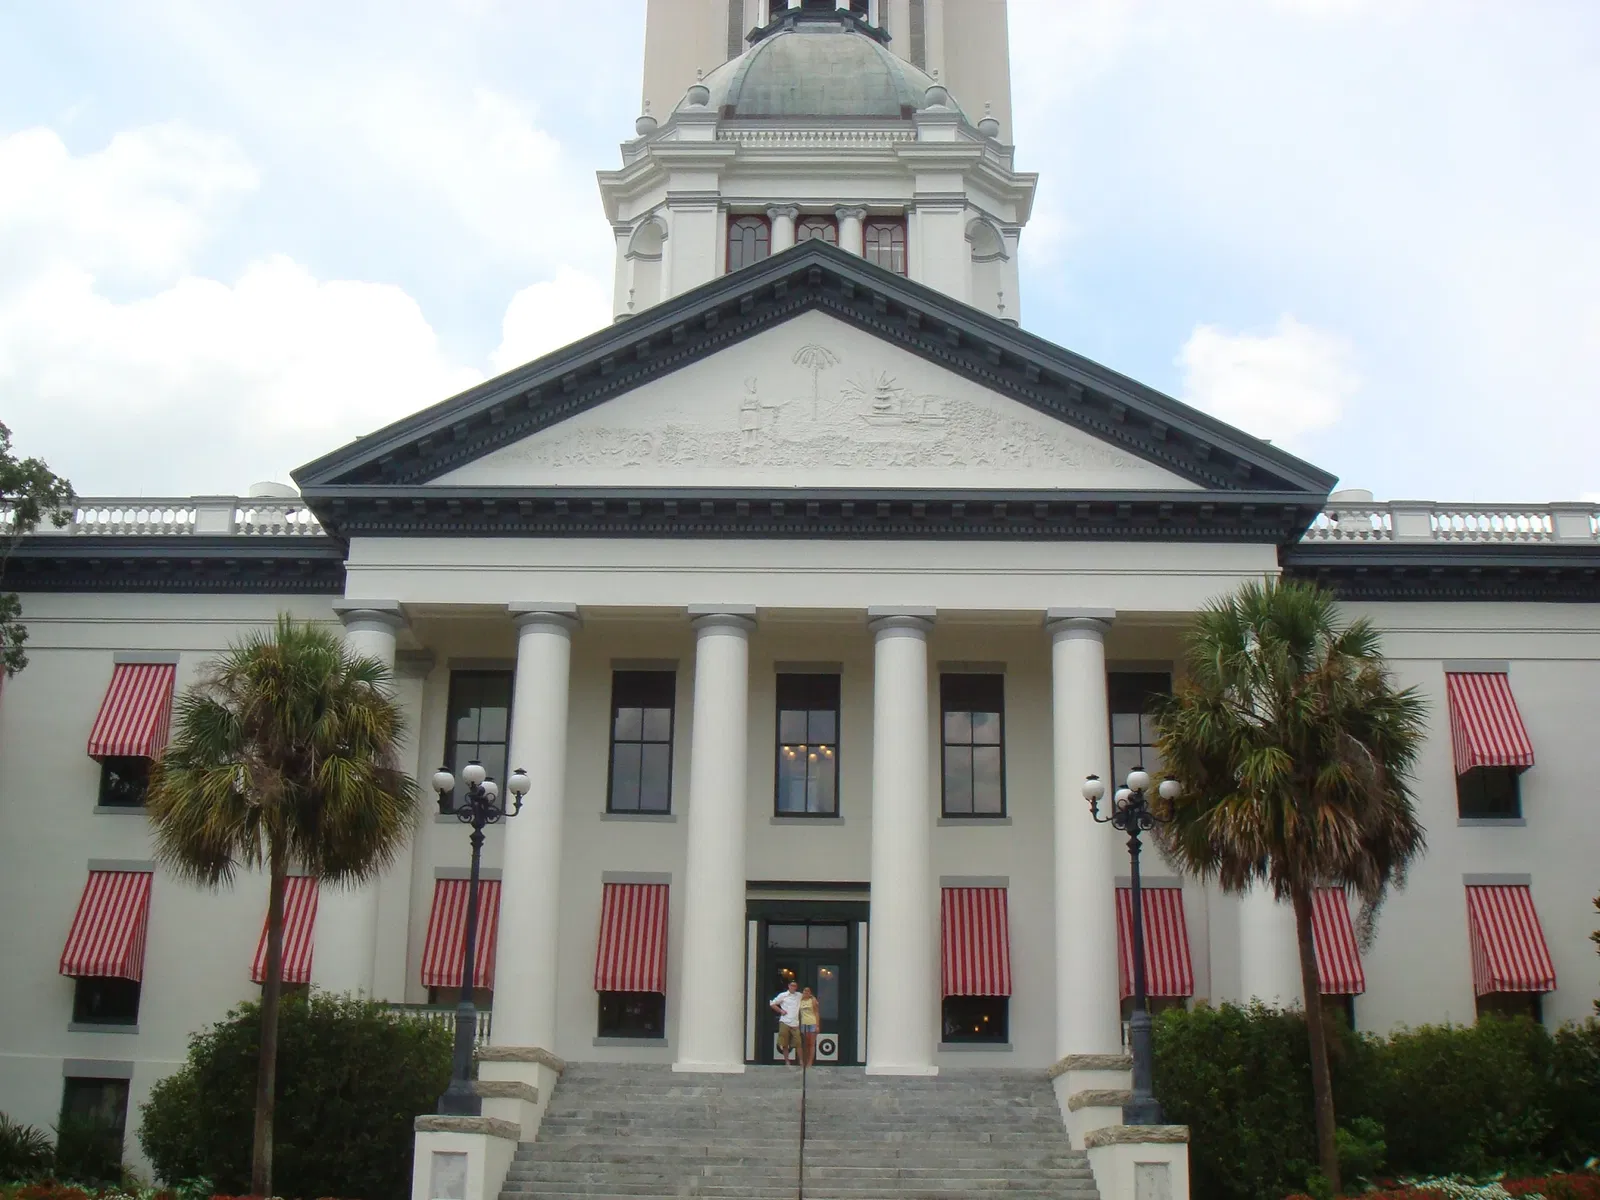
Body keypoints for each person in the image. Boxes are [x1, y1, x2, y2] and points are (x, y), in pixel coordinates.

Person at [770, 980, 802, 1066]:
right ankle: (787, 1061)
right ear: (788, 986)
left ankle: (801, 1061)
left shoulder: (799, 995)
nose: (793, 987)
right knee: (784, 1043)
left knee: (798, 1042)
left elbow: (808, 998)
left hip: (795, 1023)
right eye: (792, 985)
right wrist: (781, 1011)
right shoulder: (783, 995)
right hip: (785, 1021)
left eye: (795, 986)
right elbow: (772, 1003)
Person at [798, 986, 820, 1068]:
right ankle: (805, 1060)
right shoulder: (801, 1001)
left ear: (810, 993)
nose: (806, 992)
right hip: (804, 1024)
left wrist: (817, 1025)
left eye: (808, 991)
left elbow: (817, 1012)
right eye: (804, 991)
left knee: (811, 1043)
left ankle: (810, 1062)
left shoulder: (813, 1000)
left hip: (812, 1023)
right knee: (805, 1043)